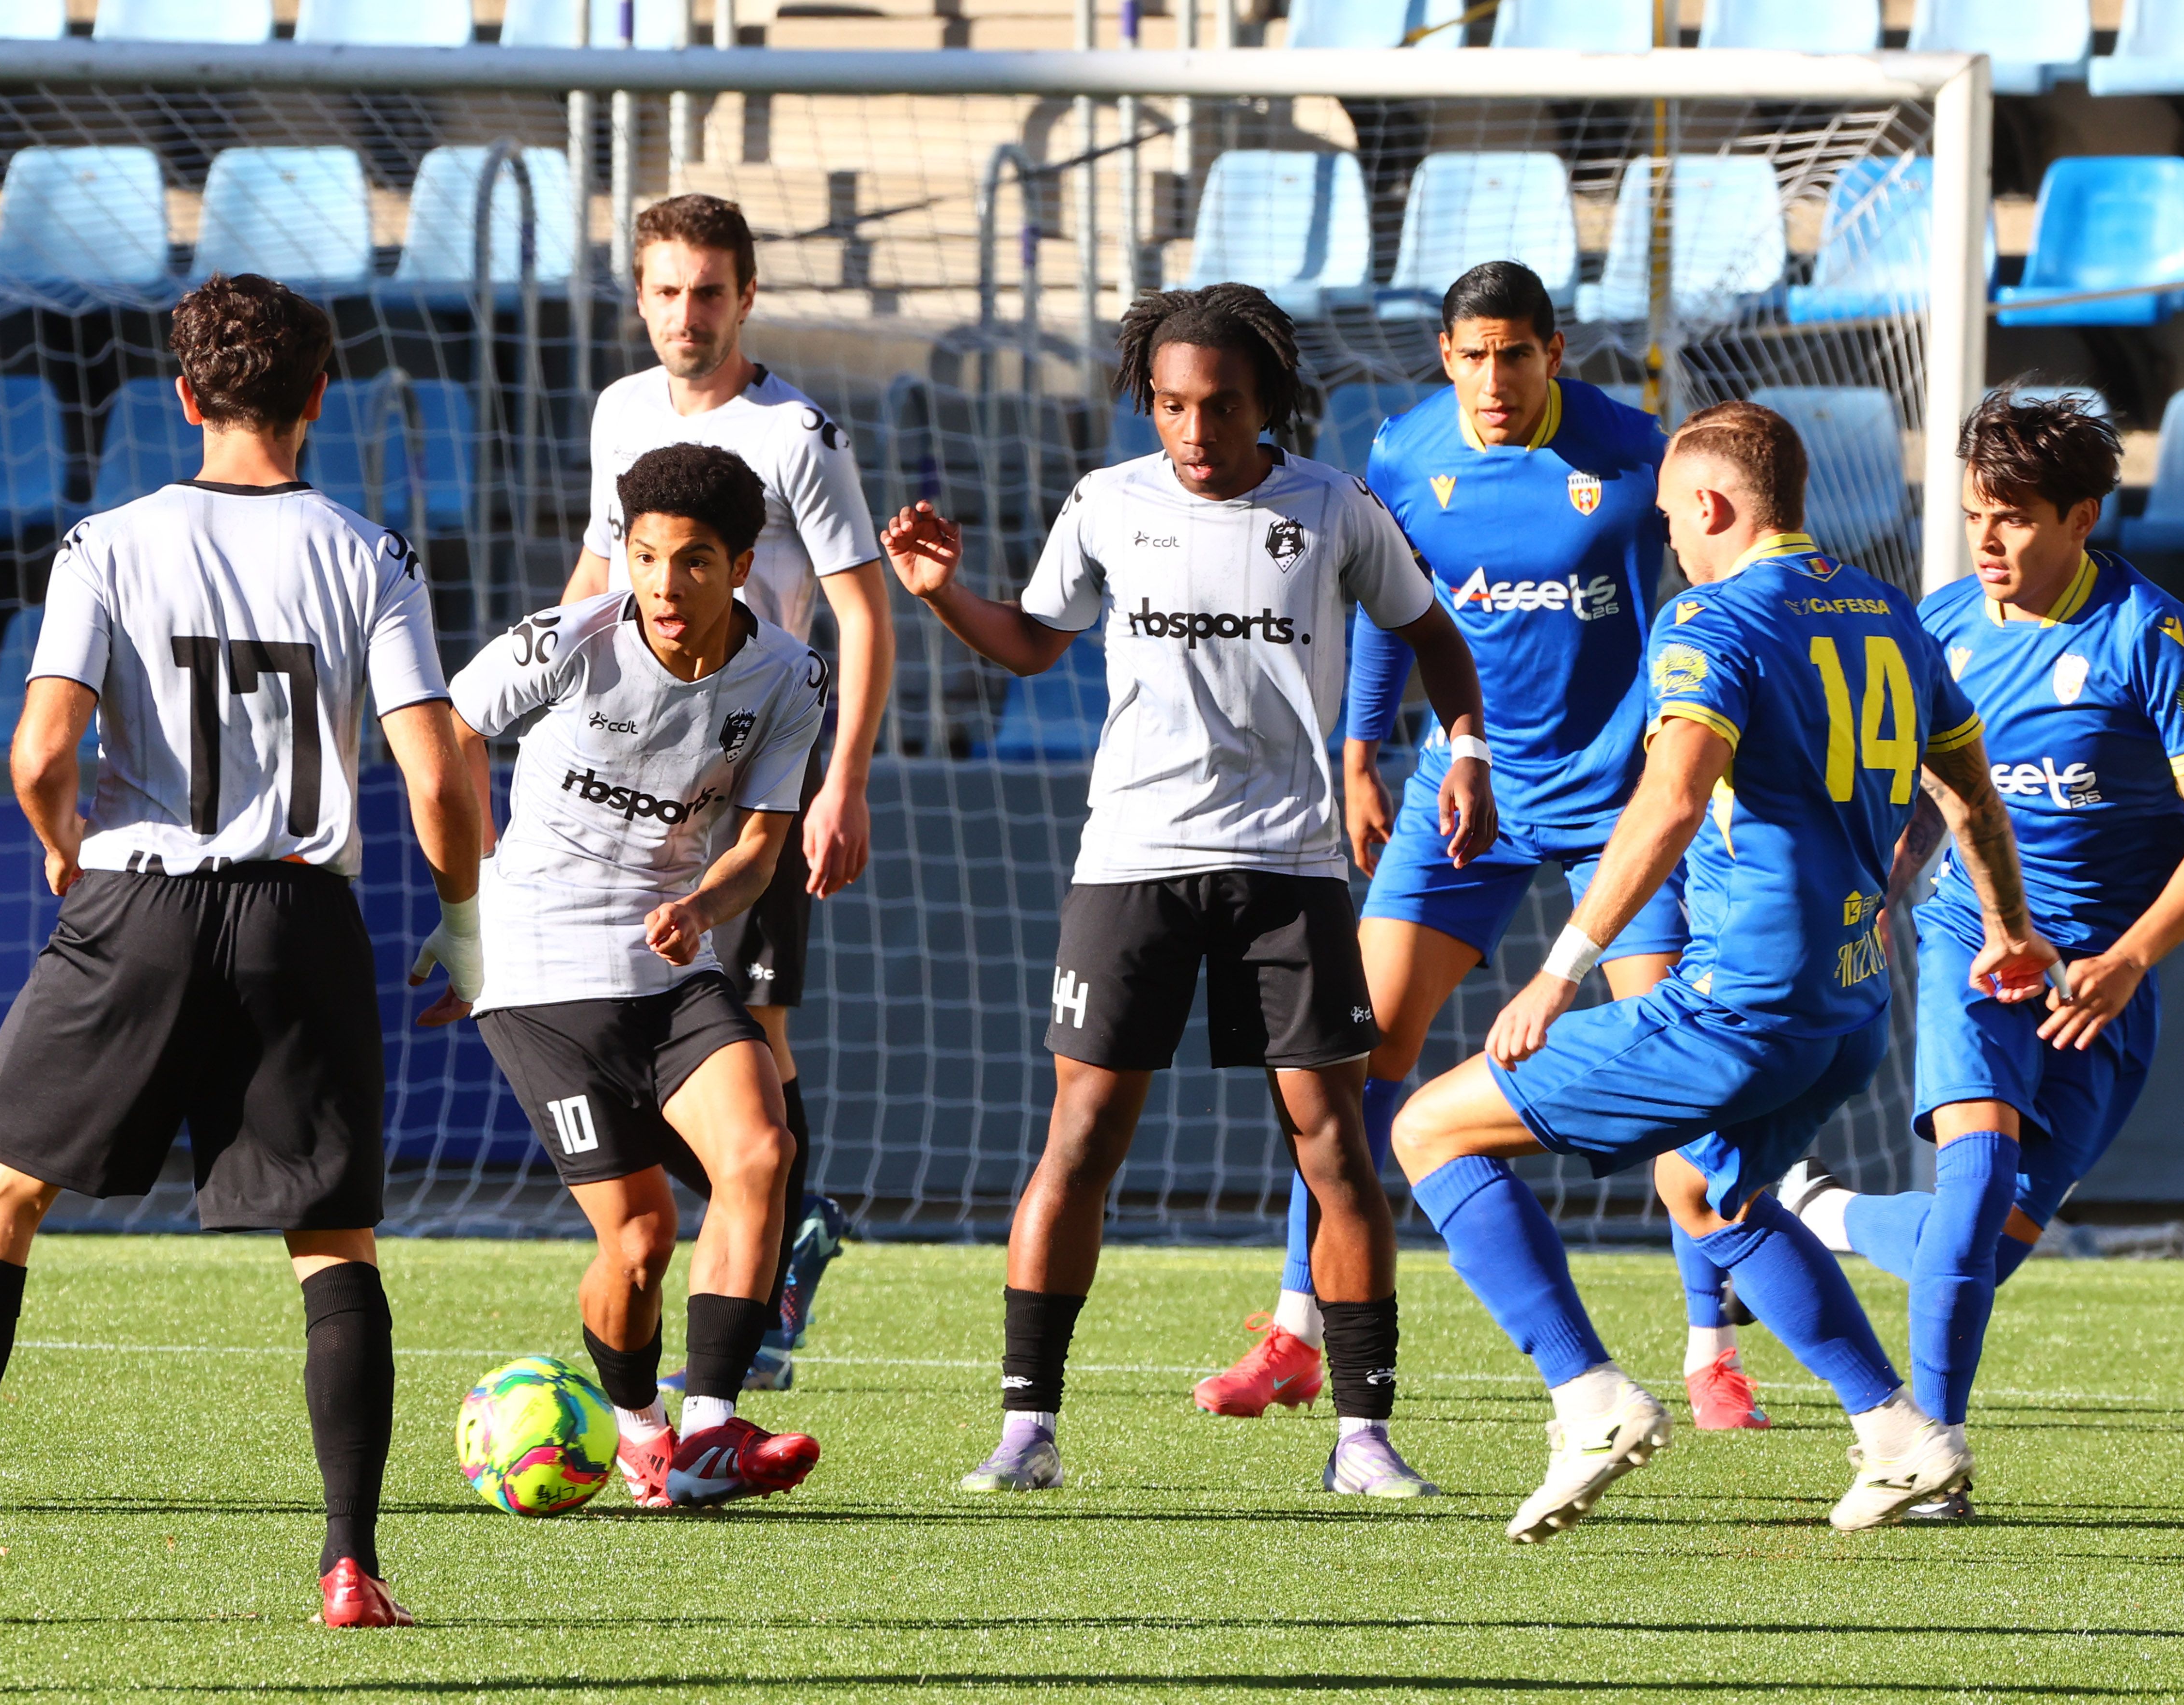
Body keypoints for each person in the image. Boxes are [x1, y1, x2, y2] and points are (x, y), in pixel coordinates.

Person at [0, 275, 484, 1627]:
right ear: (320, 398)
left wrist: (63, 844)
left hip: (141, 904)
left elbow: (42, 750)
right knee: (334, 1243)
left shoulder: (108, 543)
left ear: (183, 397)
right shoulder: (369, 553)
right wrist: (463, 924)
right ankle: (352, 1566)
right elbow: (443, 779)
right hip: (300, 913)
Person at [1390, 400, 2062, 1541]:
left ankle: (1588, 1397)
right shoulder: (1889, 613)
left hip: (1739, 999)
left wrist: (1561, 969)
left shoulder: (1711, 616)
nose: (1669, 543)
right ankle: (1902, 1435)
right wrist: (2009, 925)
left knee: (1427, 1130)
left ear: (1709, 505)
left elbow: (1673, 794)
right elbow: (1971, 792)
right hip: (1853, 1002)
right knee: (1712, 1191)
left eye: (1668, 521)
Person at [885, 283, 1495, 1501]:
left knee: (1335, 1147)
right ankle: (1025, 1428)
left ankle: (1365, 1434)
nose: (1195, 430)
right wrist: (942, 593)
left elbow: (1435, 636)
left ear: (1269, 400)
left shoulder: (1332, 506)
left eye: (1219, 405)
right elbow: (1033, 639)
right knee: (1082, 1137)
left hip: (1291, 870)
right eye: (1170, 405)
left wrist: (1465, 747)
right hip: (1131, 863)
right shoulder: (1107, 503)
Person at [1194, 260, 1763, 1435]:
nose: (1493, 380)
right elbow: (1401, 610)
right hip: (1465, 795)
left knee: (1673, 1067)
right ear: (1444, 359)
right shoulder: (1405, 456)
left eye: (1515, 354)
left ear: (1554, 352)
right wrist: (1360, 753)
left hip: (1617, 800)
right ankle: (1299, 1330)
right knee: (1347, 1061)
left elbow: (1718, 575)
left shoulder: (1635, 452)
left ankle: (1714, 1348)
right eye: (1471, 356)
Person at [1774, 387, 2184, 1519]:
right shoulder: (1936, 627)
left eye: (2018, 517)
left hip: (2108, 974)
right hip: (1981, 938)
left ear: (2083, 518)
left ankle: (1824, 1215)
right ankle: (1925, 1457)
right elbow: (1905, 792)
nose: (1988, 538)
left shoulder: (2156, 639)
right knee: (1975, 1177)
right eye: (1975, 511)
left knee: (1982, 1250)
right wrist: (1869, 888)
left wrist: (2134, 957)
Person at [448, 442, 831, 1509]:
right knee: (642, 1235)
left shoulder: (791, 676)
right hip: (536, 965)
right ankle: (639, 1431)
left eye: (695, 561)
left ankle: (708, 1432)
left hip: (672, 958)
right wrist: (469, 900)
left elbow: (762, 843)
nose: (665, 583)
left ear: (743, 565)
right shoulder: (570, 640)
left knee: (763, 1151)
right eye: (647, 555)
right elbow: (446, 730)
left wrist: (703, 905)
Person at [561, 194, 892, 1389]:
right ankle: (778, 1223)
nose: (686, 315)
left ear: (746, 295)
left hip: (756, 771)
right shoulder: (619, 413)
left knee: (751, 1021)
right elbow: (602, 576)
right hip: (633, 771)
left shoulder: (797, 431)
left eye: (709, 291)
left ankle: (776, 1247)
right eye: (666, 291)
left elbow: (861, 608)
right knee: (641, 1006)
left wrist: (838, 778)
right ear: (639, 296)